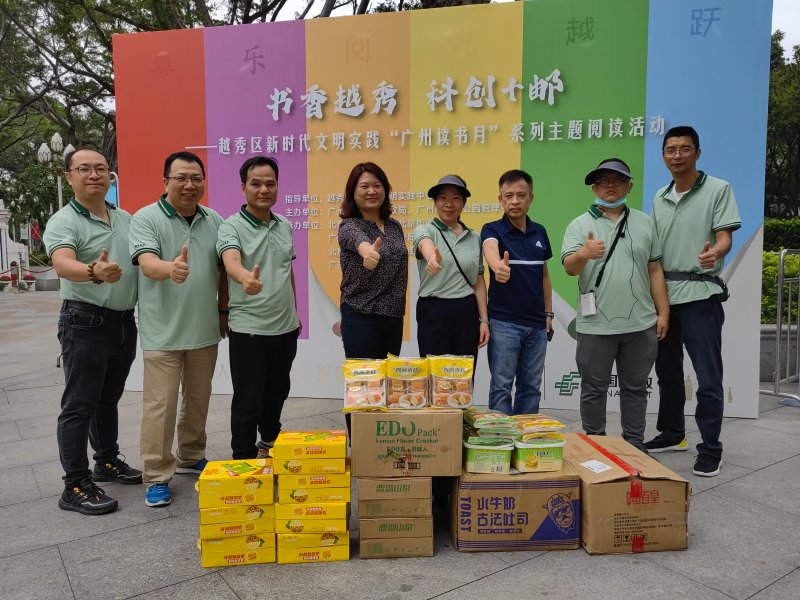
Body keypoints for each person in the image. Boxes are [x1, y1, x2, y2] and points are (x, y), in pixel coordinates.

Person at [43, 147, 141, 515]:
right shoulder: (64, 220)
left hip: (122, 321)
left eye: (100, 168)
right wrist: (92, 272)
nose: (94, 174)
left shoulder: (124, 217)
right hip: (84, 321)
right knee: (79, 404)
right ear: (69, 177)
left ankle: (106, 461)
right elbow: (61, 262)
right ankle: (74, 484)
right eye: (84, 169)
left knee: (107, 399)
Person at [129, 151, 227, 507]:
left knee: (199, 399)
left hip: (204, 328)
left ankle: (191, 453)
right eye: (181, 178)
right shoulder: (146, 218)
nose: (189, 185)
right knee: (161, 405)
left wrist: (223, 310)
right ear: (165, 181)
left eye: (196, 178)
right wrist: (169, 268)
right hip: (163, 332)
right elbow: (146, 262)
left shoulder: (214, 219)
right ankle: (156, 474)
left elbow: (223, 270)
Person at [645, 126, 741, 477]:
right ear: (663, 156)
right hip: (665, 299)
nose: (677, 155)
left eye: (685, 149)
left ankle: (711, 447)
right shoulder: (660, 196)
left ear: (697, 153)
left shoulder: (718, 188)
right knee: (667, 372)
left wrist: (716, 251)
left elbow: (725, 236)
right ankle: (673, 433)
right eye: (670, 150)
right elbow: (654, 252)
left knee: (708, 377)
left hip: (701, 295)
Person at [561, 158, 669, 452]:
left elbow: (655, 268)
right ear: (594, 188)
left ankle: (634, 446)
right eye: (603, 180)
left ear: (629, 186)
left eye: (618, 179)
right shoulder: (579, 225)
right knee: (593, 389)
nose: (610, 185)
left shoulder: (644, 223)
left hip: (640, 324)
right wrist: (584, 253)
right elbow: (570, 268)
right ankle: (596, 445)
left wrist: (663, 311)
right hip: (595, 325)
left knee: (635, 389)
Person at [217, 156, 300, 460]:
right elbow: (231, 262)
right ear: (243, 188)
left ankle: (269, 441)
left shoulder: (284, 225)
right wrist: (244, 278)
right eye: (256, 183)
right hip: (249, 329)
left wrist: (296, 313)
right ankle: (243, 457)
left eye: (270, 183)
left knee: (277, 391)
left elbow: (287, 271)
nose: (264, 189)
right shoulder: (231, 226)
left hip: (286, 327)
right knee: (247, 398)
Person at [337, 162, 407, 436]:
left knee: (388, 385)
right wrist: (368, 253)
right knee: (362, 386)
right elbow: (361, 243)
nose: (371, 191)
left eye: (377, 185)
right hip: (361, 315)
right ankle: (361, 445)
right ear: (352, 192)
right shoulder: (349, 226)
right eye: (364, 186)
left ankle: (382, 442)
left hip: (392, 316)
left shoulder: (395, 226)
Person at [480, 169, 553, 416]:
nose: (514, 201)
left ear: (531, 198)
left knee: (531, 388)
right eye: (508, 195)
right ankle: (501, 437)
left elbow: (544, 275)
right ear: (500, 199)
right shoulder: (492, 229)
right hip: (504, 323)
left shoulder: (540, 231)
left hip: (537, 324)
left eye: (521, 195)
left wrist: (549, 313)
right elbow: (490, 250)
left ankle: (526, 437)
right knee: (502, 387)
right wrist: (497, 266)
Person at [412, 174, 489, 362]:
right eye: (443, 198)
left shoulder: (474, 237)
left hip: (467, 311)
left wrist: (484, 320)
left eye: (456, 198)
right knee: (434, 372)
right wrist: (432, 257)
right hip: (434, 310)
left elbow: (478, 281)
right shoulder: (425, 230)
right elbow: (425, 244)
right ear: (435, 202)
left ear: (463, 203)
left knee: (463, 373)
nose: (449, 204)